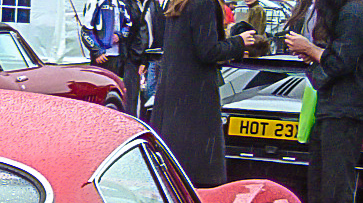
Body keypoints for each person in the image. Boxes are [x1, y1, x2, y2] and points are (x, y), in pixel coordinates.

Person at [287, 0, 363, 203]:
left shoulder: (356, 12)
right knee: (320, 181)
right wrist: (315, 55)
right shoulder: (350, 11)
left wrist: (311, 50)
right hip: (334, 106)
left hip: (347, 108)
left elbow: (342, 61)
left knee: (336, 183)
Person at [150, 0, 256, 187]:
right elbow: (207, 51)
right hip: (195, 96)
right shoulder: (204, 3)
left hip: (176, 93)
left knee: (174, 170)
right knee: (198, 173)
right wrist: (239, 42)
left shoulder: (180, 3)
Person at [82, 0, 134, 75]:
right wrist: (97, 52)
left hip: (118, 55)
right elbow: (85, 31)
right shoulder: (95, 2)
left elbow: (128, 25)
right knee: (101, 84)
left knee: (116, 84)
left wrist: (119, 35)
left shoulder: (121, 4)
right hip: (102, 57)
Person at [117, 0, 150, 115]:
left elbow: (140, 32)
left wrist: (138, 56)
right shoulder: (130, 5)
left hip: (132, 57)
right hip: (129, 57)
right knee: (129, 97)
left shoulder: (139, 5)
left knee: (132, 97)